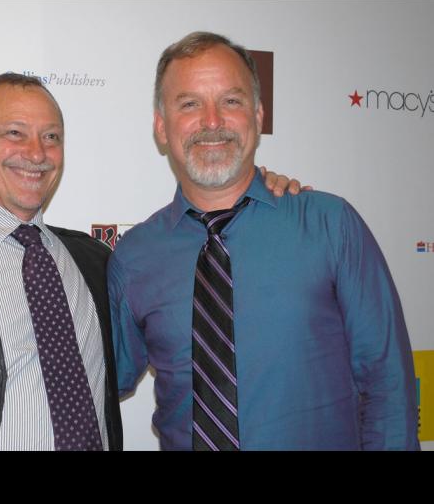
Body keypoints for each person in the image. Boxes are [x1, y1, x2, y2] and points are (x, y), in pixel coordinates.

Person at [0, 72, 298, 451]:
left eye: (51, 137)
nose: (36, 153)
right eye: (14, 132)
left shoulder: (97, 261)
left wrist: (255, 191)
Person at [107, 32, 420, 450]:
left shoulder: (330, 226)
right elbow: (99, 381)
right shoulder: (133, 257)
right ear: (162, 127)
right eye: (190, 104)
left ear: (257, 115)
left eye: (231, 101)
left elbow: (388, 386)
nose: (212, 121)